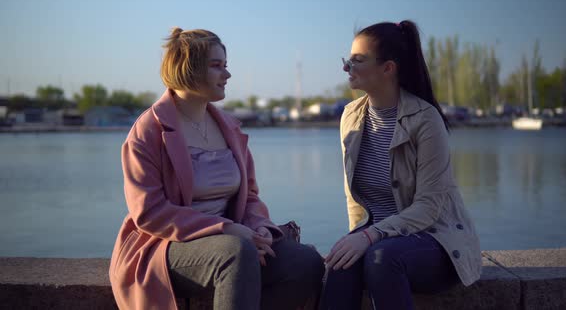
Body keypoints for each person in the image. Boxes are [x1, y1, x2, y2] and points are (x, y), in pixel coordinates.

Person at [109, 27, 325, 310]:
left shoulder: (230, 128)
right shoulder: (149, 131)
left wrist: (257, 227)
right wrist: (228, 230)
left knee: (305, 262)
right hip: (165, 245)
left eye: (226, 66)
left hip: (237, 241)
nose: (227, 75)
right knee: (236, 253)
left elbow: (249, 198)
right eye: (217, 66)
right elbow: (150, 213)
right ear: (189, 69)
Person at [321, 21, 482, 310]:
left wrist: (370, 236)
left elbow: (428, 207)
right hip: (378, 240)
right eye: (348, 59)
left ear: (388, 68)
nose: (347, 67)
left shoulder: (426, 120)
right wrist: (355, 238)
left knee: (382, 258)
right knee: (340, 264)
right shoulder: (350, 117)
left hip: (436, 242)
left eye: (358, 60)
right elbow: (354, 199)